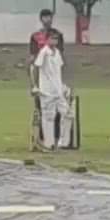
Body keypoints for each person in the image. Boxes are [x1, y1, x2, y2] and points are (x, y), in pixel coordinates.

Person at [29, 9, 66, 148]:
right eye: (45, 17)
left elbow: (59, 56)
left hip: (53, 75)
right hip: (41, 75)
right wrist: (33, 83)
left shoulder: (58, 35)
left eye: (49, 17)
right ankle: (41, 137)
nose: (47, 20)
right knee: (41, 108)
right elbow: (33, 59)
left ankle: (56, 137)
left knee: (59, 110)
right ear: (41, 19)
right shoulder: (36, 36)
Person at [30, 31, 74, 151]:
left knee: (68, 114)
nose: (54, 41)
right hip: (46, 91)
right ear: (47, 40)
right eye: (52, 38)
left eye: (56, 39)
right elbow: (35, 68)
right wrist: (35, 86)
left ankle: (63, 142)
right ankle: (48, 144)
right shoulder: (44, 52)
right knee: (49, 117)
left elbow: (58, 71)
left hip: (58, 91)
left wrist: (63, 86)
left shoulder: (57, 52)